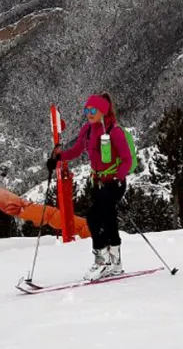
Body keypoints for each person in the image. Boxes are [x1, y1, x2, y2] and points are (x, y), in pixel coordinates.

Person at [47, 92, 133, 280]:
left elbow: (126, 159)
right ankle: (115, 264)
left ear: (103, 111)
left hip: (114, 183)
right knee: (109, 219)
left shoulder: (114, 132)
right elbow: (77, 150)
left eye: (93, 109)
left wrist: (119, 177)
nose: (89, 113)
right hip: (98, 182)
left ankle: (102, 262)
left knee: (94, 218)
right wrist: (58, 158)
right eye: (87, 109)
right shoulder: (87, 130)